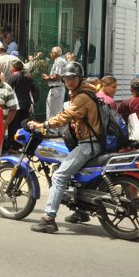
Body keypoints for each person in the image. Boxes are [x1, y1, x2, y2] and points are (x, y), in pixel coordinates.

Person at [27, 61, 101, 233]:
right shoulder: (82, 92)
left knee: (59, 176)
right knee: (75, 175)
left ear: (80, 78)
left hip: (88, 144)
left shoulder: (82, 96)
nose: (69, 81)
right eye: (67, 78)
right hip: (91, 141)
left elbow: (65, 116)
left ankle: (48, 219)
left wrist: (43, 124)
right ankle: (81, 211)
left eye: (73, 78)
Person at [5, 60, 37, 150]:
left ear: (14, 68)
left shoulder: (13, 77)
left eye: (11, 67)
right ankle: (25, 144)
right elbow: (33, 90)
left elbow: (8, 90)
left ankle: (15, 145)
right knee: (24, 124)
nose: (10, 68)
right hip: (26, 103)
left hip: (16, 104)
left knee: (14, 125)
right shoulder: (28, 77)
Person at [44, 46, 67, 121]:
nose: (50, 54)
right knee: (58, 111)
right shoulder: (62, 60)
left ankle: (52, 132)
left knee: (52, 112)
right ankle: (58, 130)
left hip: (56, 89)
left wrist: (47, 77)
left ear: (55, 53)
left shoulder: (58, 61)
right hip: (59, 89)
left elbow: (57, 76)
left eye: (51, 52)